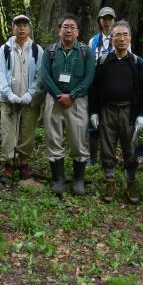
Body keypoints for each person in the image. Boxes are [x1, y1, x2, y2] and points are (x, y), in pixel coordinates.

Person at [88, 21, 143, 204]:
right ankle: (110, 180)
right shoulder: (104, 61)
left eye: (125, 35)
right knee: (107, 146)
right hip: (107, 110)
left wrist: (141, 114)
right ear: (111, 39)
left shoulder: (137, 62)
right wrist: (94, 112)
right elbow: (95, 88)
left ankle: (131, 182)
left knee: (130, 148)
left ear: (130, 38)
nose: (121, 39)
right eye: (117, 35)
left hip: (128, 111)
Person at [39, 13, 95, 196]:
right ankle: (58, 179)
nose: (68, 30)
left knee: (78, 139)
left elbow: (89, 77)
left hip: (77, 102)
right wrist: (57, 94)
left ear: (78, 31)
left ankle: (78, 179)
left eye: (72, 27)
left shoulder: (86, 51)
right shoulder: (51, 51)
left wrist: (72, 95)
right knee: (53, 138)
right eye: (65, 27)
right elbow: (44, 75)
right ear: (59, 31)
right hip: (53, 100)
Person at [0, 14, 44, 183]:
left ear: (29, 28)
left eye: (25, 25)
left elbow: (41, 75)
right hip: (9, 100)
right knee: (8, 134)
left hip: (30, 102)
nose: (21, 28)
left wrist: (31, 94)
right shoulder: (5, 49)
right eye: (18, 25)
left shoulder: (37, 50)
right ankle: (8, 165)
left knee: (27, 134)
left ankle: (23, 163)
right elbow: (0, 74)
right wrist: (9, 94)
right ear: (12, 28)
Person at [87, 6, 116, 164]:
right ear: (100, 21)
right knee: (93, 121)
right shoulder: (93, 41)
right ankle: (92, 158)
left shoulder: (120, 39)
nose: (107, 22)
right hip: (96, 87)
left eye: (110, 19)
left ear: (113, 21)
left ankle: (108, 157)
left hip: (113, 87)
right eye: (104, 19)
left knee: (110, 124)